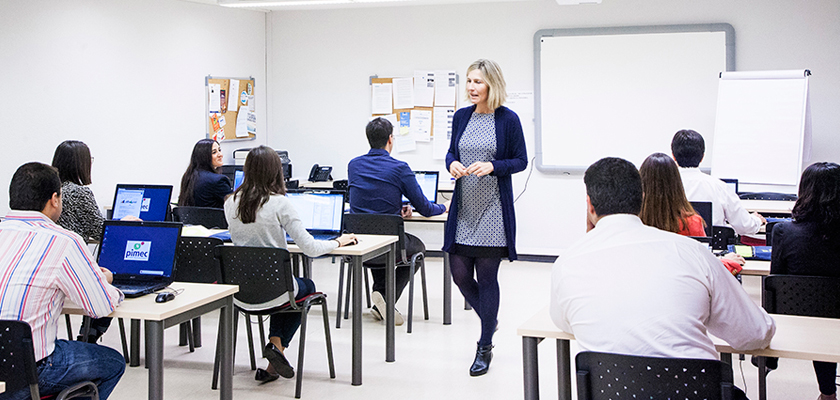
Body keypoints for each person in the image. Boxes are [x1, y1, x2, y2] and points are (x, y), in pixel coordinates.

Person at [551, 157, 775, 399]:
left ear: (589, 205)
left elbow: (563, 322)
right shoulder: (691, 252)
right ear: (642, 199)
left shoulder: (568, 262)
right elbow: (755, 334)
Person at [224, 146, 357, 383]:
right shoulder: (279, 203)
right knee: (303, 287)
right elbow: (311, 249)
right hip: (276, 289)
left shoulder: (230, 202)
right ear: (276, 172)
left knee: (285, 288)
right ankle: (276, 347)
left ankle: (274, 357)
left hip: (240, 293)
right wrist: (338, 241)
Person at [0, 162, 125, 400]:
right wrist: (106, 281)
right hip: (29, 373)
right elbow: (100, 307)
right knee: (113, 363)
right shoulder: (64, 241)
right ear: (55, 199)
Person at [445, 59, 527, 377]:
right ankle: (489, 319)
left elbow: (519, 160)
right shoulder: (462, 116)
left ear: (492, 84)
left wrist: (494, 166)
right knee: (461, 275)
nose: (471, 87)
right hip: (464, 206)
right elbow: (452, 151)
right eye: (468, 81)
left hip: (493, 209)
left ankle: (484, 346)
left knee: (487, 277)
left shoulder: (508, 119)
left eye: (477, 82)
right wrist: (451, 164)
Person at [347, 117, 449, 325]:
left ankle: (380, 300)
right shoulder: (400, 168)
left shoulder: (354, 165)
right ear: (391, 139)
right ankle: (384, 297)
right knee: (417, 248)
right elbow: (426, 209)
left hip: (359, 245)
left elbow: (370, 196)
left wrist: (394, 208)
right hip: (388, 243)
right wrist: (445, 207)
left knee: (379, 238)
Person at [769, 162, 840, 400]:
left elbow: (775, 284)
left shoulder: (784, 232)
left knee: (818, 305)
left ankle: (827, 394)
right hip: (834, 318)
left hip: (800, 320)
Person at [639, 152, 745, 274]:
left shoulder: (633, 223)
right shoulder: (691, 223)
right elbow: (704, 269)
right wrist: (726, 262)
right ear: (676, 183)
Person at [671, 129, 766, 235]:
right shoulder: (719, 187)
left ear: (673, 156)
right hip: (710, 250)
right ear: (702, 157)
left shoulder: (663, 187)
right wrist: (756, 220)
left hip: (672, 249)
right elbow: (744, 226)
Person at [179, 138, 232, 208]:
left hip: (194, 218)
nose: (220, 155)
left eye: (219, 150)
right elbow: (234, 206)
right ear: (204, 157)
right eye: (214, 152)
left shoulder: (188, 176)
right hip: (216, 218)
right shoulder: (219, 180)